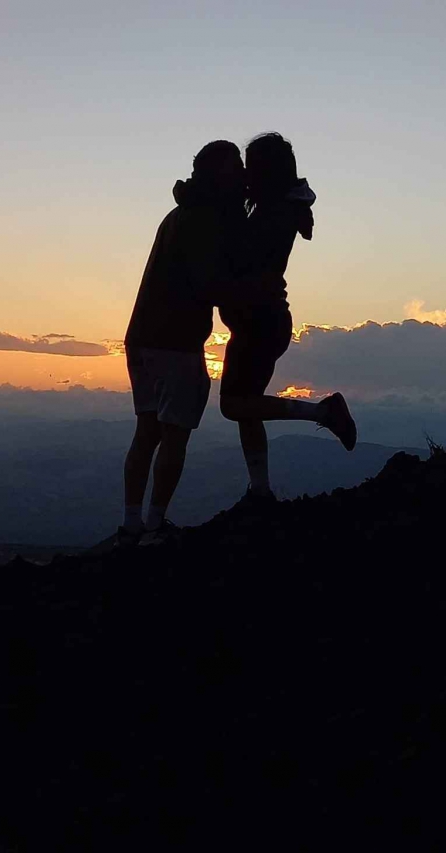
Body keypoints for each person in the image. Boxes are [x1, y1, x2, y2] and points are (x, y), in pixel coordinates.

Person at [118, 140, 285, 547]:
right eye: (235, 170)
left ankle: (131, 524)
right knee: (174, 435)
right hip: (174, 342)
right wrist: (259, 289)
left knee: (147, 431)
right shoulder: (205, 220)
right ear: (218, 176)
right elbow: (211, 284)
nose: (243, 178)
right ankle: (155, 527)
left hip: (140, 338)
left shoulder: (177, 215)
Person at [218, 133, 356, 505]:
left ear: (264, 171)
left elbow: (238, 259)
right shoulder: (275, 209)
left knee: (233, 405)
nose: (245, 173)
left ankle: (323, 412)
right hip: (263, 321)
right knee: (247, 405)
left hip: (259, 321)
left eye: (250, 166)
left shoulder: (270, 214)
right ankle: (260, 490)